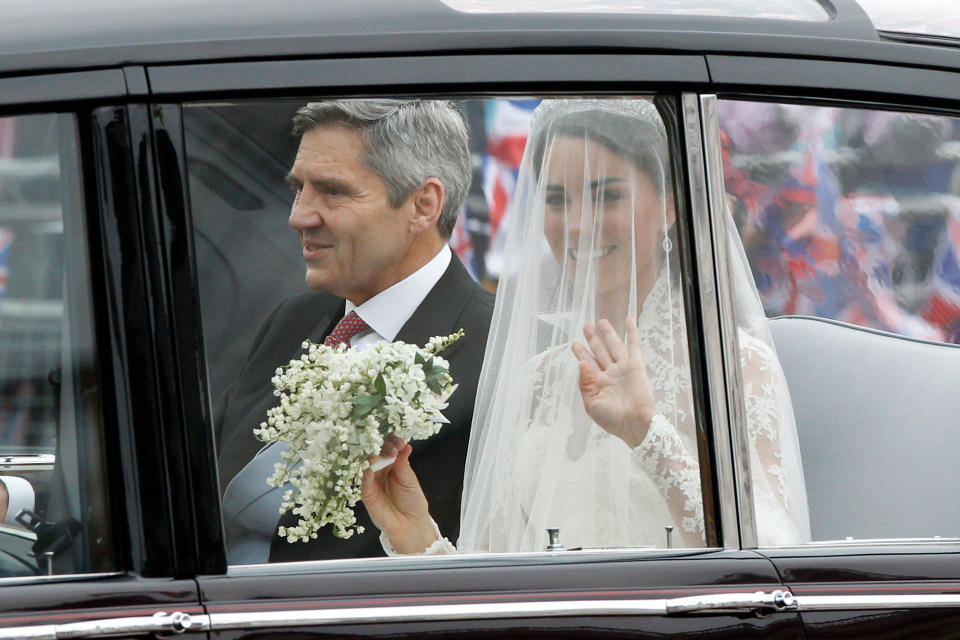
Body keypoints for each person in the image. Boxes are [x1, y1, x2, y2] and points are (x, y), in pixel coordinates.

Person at [362, 98, 810, 554]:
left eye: (607, 195)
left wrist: (647, 432)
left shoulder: (731, 365)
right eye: (557, 201)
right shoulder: (536, 379)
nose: (578, 225)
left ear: (672, 206)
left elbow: (771, 551)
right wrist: (414, 534)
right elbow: (493, 580)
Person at [215, 99, 494, 563]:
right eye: (299, 189)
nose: (299, 216)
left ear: (423, 205)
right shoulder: (295, 320)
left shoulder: (494, 352)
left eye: (332, 192)